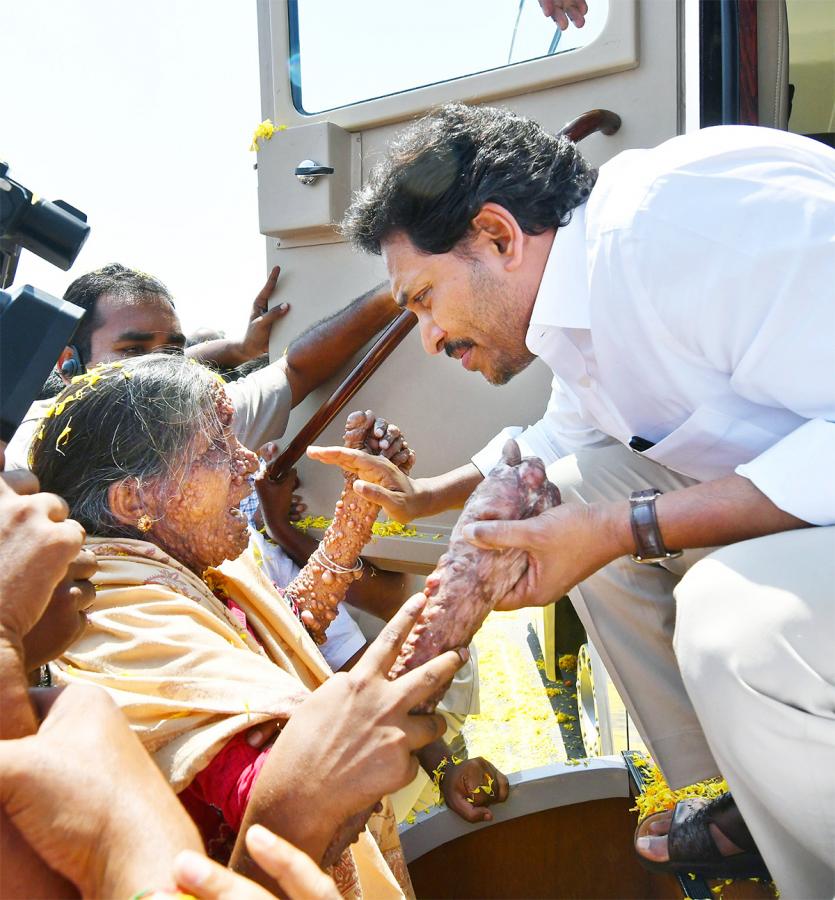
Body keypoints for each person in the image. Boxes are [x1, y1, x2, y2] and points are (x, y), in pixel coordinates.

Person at [308, 103, 835, 896]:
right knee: (575, 490)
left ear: (496, 236)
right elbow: (567, 442)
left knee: (735, 626)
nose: (427, 335)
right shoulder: (584, 299)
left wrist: (624, 529)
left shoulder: (682, 229)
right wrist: (418, 501)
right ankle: (729, 799)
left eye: (422, 298)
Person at [28, 354, 490, 897]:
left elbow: (280, 637)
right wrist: (464, 592)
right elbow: (299, 793)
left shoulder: (174, 573)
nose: (247, 462)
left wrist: (357, 509)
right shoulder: (123, 615)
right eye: (214, 447)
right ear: (134, 500)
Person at [4, 261, 400, 467]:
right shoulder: (27, 451)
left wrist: (401, 289)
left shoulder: (200, 419)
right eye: (132, 351)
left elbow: (295, 370)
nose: (159, 370)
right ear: (68, 362)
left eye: (172, 352)